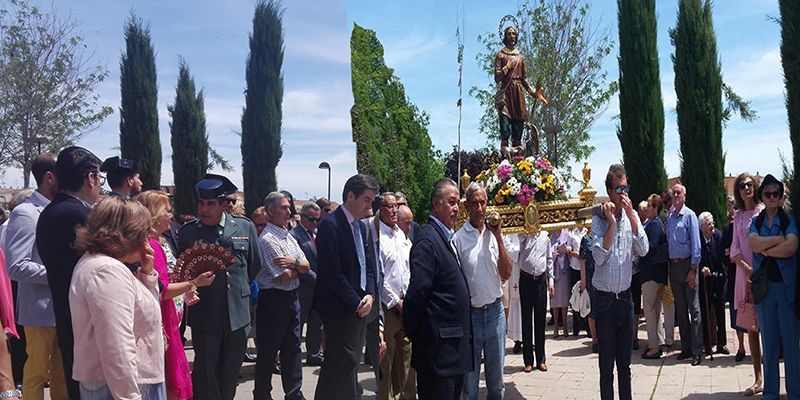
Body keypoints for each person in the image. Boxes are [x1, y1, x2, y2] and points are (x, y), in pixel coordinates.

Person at [177, 173, 262, 400]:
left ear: (224, 204)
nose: (204, 209)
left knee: (230, 372)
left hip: (238, 315)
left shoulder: (244, 227)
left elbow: (254, 266)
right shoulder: (188, 232)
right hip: (205, 314)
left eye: (211, 204)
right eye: (201, 203)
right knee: (206, 372)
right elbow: (182, 271)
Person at [69, 197, 164, 399]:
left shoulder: (102, 265)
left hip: (127, 381)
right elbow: (117, 346)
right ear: (129, 235)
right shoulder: (107, 271)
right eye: (144, 233)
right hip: (125, 385)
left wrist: (147, 275)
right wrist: (130, 396)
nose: (147, 240)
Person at [37, 146, 103, 399]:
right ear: (90, 178)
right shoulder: (82, 215)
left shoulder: (49, 212)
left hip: (66, 315)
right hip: (91, 320)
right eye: (100, 178)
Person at [137, 190, 215, 400]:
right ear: (154, 214)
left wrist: (184, 293)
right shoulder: (151, 246)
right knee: (169, 382)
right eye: (167, 211)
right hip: (162, 318)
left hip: (170, 317)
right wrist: (194, 283)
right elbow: (160, 290)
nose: (170, 216)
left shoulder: (160, 242)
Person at [4, 153, 67, 400]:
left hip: (64, 308)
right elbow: (16, 266)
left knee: (63, 373)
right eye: (64, 173)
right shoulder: (26, 213)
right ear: (50, 177)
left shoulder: (61, 209)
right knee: (37, 373)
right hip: (39, 312)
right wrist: (60, 274)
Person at [403, 179, 472, 400]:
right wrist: (414, 331)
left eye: (457, 203)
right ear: (435, 204)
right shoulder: (428, 241)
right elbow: (418, 292)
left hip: (452, 350)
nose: (456, 208)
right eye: (451, 202)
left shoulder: (445, 237)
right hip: (439, 351)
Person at [313, 174, 378, 400]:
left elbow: (367, 263)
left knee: (342, 364)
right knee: (344, 362)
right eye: (367, 200)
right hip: (338, 308)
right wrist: (355, 301)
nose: (370, 206)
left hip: (359, 307)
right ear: (351, 196)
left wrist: (370, 294)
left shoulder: (360, 227)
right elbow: (332, 273)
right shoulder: (330, 225)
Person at [591, 164, 648, 400]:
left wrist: (633, 219)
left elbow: (644, 249)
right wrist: (612, 224)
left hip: (625, 300)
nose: (623, 194)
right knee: (606, 367)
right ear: (609, 191)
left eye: (626, 188)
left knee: (625, 366)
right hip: (604, 302)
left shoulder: (632, 217)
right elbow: (598, 257)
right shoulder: (599, 220)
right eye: (618, 189)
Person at [451, 183, 511, 400]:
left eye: (483, 203)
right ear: (466, 207)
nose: (479, 208)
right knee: (470, 384)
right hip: (471, 316)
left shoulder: (494, 236)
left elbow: (506, 273)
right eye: (474, 203)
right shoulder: (458, 239)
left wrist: (499, 237)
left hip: (495, 313)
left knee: (497, 382)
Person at [253, 192, 310, 400]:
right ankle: (262, 395)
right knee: (268, 352)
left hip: (292, 299)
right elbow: (285, 276)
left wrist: (294, 263)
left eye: (289, 207)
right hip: (273, 300)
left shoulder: (289, 236)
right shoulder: (268, 239)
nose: (289, 211)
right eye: (284, 207)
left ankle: (294, 394)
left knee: (293, 349)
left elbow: (306, 265)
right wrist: (298, 267)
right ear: (270, 210)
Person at [748, 174, 799, 400]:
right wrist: (778, 240)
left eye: (775, 193)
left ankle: (795, 393)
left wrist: (766, 250)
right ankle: (770, 393)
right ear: (762, 196)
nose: (771, 197)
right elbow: (753, 243)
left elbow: (792, 247)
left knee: (791, 345)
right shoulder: (756, 222)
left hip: (786, 291)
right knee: (768, 345)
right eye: (767, 193)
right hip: (765, 291)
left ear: (780, 196)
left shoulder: (788, 220)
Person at [373, 192, 414, 400]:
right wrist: (396, 302)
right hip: (388, 308)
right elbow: (379, 276)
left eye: (396, 206)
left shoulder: (401, 235)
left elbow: (408, 269)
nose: (394, 211)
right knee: (386, 363)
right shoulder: (377, 237)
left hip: (406, 306)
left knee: (407, 362)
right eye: (389, 207)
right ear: (380, 209)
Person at [730, 173, 765, 395]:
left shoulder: (762, 211)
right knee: (751, 326)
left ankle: (771, 376)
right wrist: (746, 269)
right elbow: (734, 248)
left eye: (750, 184)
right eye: (742, 186)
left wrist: (757, 271)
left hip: (763, 274)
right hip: (744, 275)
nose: (746, 188)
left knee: (767, 326)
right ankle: (758, 379)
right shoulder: (738, 215)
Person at [667, 183, 703, 366]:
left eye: (678, 193)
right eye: (673, 193)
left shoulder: (690, 216)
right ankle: (686, 348)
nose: (675, 195)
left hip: (688, 266)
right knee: (681, 311)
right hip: (674, 268)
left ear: (684, 196)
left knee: (694, 310)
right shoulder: (670, 217)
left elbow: (696, 244)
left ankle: (697, 351)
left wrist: (693, 269)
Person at [494, 24, 543, 156]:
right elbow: (497, 78)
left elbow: (524, 80)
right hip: (506, 94)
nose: (512, 36)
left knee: (518, 129)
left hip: (518, 94)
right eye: (509, 34)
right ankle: (504, 157)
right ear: (505, 37)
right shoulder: (500, 55)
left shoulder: (520, 58)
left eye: (514, 34)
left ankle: (518, 158)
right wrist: (507, 67)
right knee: (505, 127)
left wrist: (533, 93)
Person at [290, 202, 324, 367]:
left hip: (318, 290)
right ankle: (293, 357)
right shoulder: (294, 236)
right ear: (302, 217)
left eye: (317, 220)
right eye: (311, 219)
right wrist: (319, 280)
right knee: (298, 325)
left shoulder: (317, 234)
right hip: (303, 289)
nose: (314, 223)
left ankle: (314, 354)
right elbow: (298, 264)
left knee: (316, 325)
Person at [517, 230, 553, 372]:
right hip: (526, 279)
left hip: (540, 280)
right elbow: (517, 249)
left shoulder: (545, 236)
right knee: (526, 320)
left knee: (540, 321)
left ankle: (541, 360)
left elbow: (549, 259)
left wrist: (551, 281)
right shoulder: (524, 235)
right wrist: (526, 233)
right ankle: (528, 360)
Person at [639, 194, 669, 360]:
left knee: (650, 311)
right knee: (656, 311)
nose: (647, 210)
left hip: (651, 275)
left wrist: (637, 246)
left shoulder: (654, 225)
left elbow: (649, 248)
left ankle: (653, 346)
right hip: (656, 275)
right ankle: (658, 342)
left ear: (656, 208)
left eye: (650, 206)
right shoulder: (656, 223)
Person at [697, 211, 728, 356]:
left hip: (718, 278)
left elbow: (722, 258)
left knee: (720, 311)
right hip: (704, 280)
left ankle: (722, 343)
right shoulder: (698, 238)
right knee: (705, 311)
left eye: (713, 223)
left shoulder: (718, 236)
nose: (712, 226)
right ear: (702, 227)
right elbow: (695, 256)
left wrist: (719, 272)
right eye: (709, 224)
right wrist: (701, 268)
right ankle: (707, 343)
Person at [552, 229, 571, 338]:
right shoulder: (551, 234)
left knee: (564, 299)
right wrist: (556, 251)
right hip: (555, 269)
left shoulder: (567, 232)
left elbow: (570, 247)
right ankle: (556, 326)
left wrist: (567, 249)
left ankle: (565, 325)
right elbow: (549, 252)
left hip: (564, 269)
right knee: (555, 300)